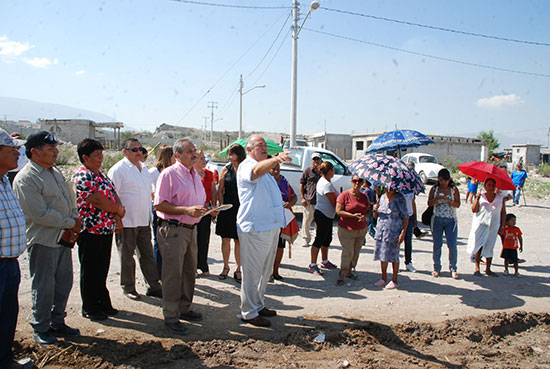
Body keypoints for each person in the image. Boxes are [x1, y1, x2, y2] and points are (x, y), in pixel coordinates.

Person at [13, 131, 81, 346]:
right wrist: (70, 222)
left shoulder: (54, 171)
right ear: (34, 152)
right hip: (44, 240)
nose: (56, 152)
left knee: (63, 283)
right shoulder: (27, 178)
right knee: (44, 286)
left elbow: (69, 197)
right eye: (50, 149)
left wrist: (74, 218)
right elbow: (39, 213)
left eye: (55, 149)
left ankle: (57, 322)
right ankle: (41, 327)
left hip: (63, 239)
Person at [154, 138, 208, 335]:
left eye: (194, 150)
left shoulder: (194, 174)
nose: (194, 154)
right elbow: (160, 205)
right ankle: (171, 316)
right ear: (177, 155)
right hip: (173, 230)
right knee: (172, 275)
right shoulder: (169, 174)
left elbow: (195, 201)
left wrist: (207, 210)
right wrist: (186, 210)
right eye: (189, 151)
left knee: (188, 272)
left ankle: (184, 308)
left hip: (191, 229)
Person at [237, 135, 290, 327]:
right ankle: (249, 312)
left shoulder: (266, 170)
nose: (264, 148)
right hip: (255, 229)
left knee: (264, 271)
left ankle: (258, 304)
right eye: (260, 145)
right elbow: (254, 173)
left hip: (270, 228)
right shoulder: (247, 165)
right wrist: (276, 159)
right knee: (252, 272)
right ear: (250, 149)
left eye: (265, 146)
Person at [72, 138, 125, 321]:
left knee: (102, 268)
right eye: (96, 155)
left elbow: (112, 193)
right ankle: (91, 306)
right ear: (85, 157)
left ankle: (103, 302)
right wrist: (117, 209)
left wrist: (118, 212)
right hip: (90, 229)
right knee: (91, 269)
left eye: (101, 154)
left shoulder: (100, 175)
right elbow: (96, 200)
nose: (100, 158)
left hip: (105, 229)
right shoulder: (82, 175)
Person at [108, 138, 162, 301]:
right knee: (126, 256)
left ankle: (153, 286)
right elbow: (112, 195)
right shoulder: (118, 170)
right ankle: (129, 287)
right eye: (134, 149)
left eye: (140, 149)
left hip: (143, 220)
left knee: (147, 255)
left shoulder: (144, 168)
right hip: (127, 221)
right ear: (124, 151)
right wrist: (117, 219)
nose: (139, 152)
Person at [0, 129, 34, 369]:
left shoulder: (4, 180)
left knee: (6, 317)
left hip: (10, 263)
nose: (18, 153)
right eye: (12, 150)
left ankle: (4, 360)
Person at [215, 143, 245, 283]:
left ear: (238, 155)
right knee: (225, 238)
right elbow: (220, 189)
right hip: (227, 208)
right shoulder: (225, 170)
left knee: (239, 240)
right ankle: (226, 266)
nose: (228, 157)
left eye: (231, 154)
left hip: (242, 209)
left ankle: (238, 269)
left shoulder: (245, 169)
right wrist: (221, 206)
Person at [466, 178, 506, 277]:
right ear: (485, 186)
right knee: (478, 245)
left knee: (490, 245)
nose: (491, 187)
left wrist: (502, 225)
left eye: (493, 185)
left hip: (493, 225)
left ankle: (488, 269)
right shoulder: (481, 197)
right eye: (489, 185)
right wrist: (477, 198)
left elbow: (503, 212)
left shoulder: (500, 198)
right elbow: (474, 210)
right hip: (480, 224)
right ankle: (477, 268)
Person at [335, 175, 369, 286]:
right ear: (351, 181)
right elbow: (338, 211)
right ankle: (342, 274)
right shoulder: (344, 195)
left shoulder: (364, 196)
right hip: (346, 229)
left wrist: (364, 216)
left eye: (360, 181)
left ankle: (350, 271)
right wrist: (352, 216)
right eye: (355, 181)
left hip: (361, 229)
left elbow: (367, 211)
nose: (357, 183)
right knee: (348, 252)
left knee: (356, 252)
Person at [427, 168, 461, 279]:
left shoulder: (453, 189)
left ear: (449, 180)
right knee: (437, 245)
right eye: (441, 180)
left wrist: (449, 200)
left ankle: (453, 268)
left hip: (451, 220)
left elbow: (458, 204)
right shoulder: (434, 189)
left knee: (452, 245)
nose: (443, 183)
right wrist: (437, 198)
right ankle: (436, 268)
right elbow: (429, 203)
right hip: (437, 219)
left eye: (445, 180)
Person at [372, 188, 408, 289]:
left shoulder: (399, 198)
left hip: (394, 231)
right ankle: (383, 278)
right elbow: (376, 216)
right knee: (382, 254)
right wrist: (375, 210)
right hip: (381, 230)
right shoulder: (382, 197)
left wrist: (403, 232)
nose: (387, 188)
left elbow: (405, 217)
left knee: (393, 255)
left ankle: (394, 279)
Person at [308, 161, 339, 275]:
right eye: (333, 170)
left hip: (326, 214)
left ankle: (324, 261)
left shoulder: (325, 181)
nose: (334, 172)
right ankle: (312, 264)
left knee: (327, 239)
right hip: (323, 214)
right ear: (330, 171)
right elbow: (333, 202)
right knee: (319, 239)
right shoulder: (326, 184)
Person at [268, 159, 297, 281]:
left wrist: (289, 204)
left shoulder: (284, 181)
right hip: (268, 220)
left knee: (280, 246)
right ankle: (267, 272)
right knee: (269, 247)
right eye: (273, 169)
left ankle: (275, 271)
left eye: (278, 169)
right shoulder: (265, 182)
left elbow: (294, 196)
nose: (276, 171)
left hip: (282, 220)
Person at [149, 145, 175, 277]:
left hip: (171, 210)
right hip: (158, 210)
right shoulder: (154, 172)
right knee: (158, 242)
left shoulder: (172, 171)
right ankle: (158, 273)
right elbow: (148, 188)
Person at [194, 149, 217, 276]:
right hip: (195, 210)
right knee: (193, 239)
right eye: (201, 158)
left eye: (204, 158)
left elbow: (213, 191)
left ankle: (203, 264)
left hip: (207, 211)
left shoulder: (209, 174)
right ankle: (192, 266)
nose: (204, 161)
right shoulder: (190, 174)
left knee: (204, 238)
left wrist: (214, 206)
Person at [299, 153, 322, 247]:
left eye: (318, 159)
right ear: (311, 160)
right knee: (307, 220)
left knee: (319, 222)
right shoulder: (308, 171)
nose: (316, 161)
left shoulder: (323, 171)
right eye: (314, 159)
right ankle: (306, 239)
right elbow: (302, 184)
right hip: (309, 200)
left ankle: (318, 240)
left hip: (320, 201)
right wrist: (302, 198)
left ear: (321, 160)